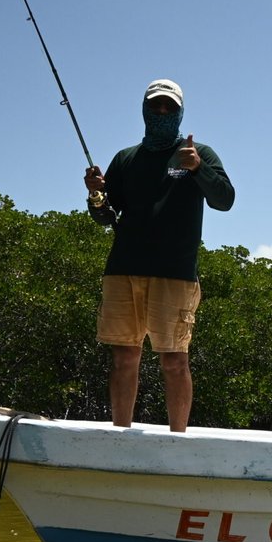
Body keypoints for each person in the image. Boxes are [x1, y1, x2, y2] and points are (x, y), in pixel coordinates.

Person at [84, 78, 234, 432]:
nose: (162, 111)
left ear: (180, 112)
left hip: (175, 272)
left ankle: (177, 441)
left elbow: (224, 200)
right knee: (124, 358)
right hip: (123, 269)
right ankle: (120, 435)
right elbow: (105, 217)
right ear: (144, 109)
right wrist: (95, 195)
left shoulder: (199, 154)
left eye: (169, 106)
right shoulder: (126, 159)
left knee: (175, 361)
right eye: (155, 105)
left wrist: (197, 168)